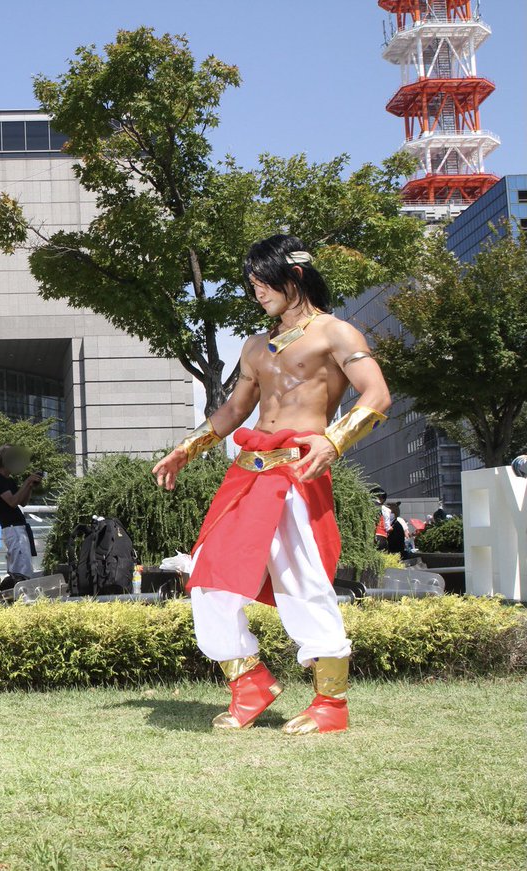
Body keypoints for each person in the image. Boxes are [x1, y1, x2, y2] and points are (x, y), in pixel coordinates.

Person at [151, 234, 391, 735]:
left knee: (302, 583)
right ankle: (249, 684)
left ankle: (331, 703)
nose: (257, 291)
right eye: (253, 284)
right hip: (246, 474)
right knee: (209, 578)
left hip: (298, 473)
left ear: (295, 274)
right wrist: (186, 448)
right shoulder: (255, 345)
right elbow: (235, 410)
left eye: (264, 281)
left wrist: (335, 440)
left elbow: (377, 395)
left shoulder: (336, 333)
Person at [0, 446, 42, 578]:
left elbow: (22, 502)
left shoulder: (9, 480)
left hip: (18, 528)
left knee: (22, 565)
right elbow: (12, 502)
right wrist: (27, 481)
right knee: (22, 568)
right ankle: (20, 588)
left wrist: (30, 486)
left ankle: (17, 586)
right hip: (13, 529)